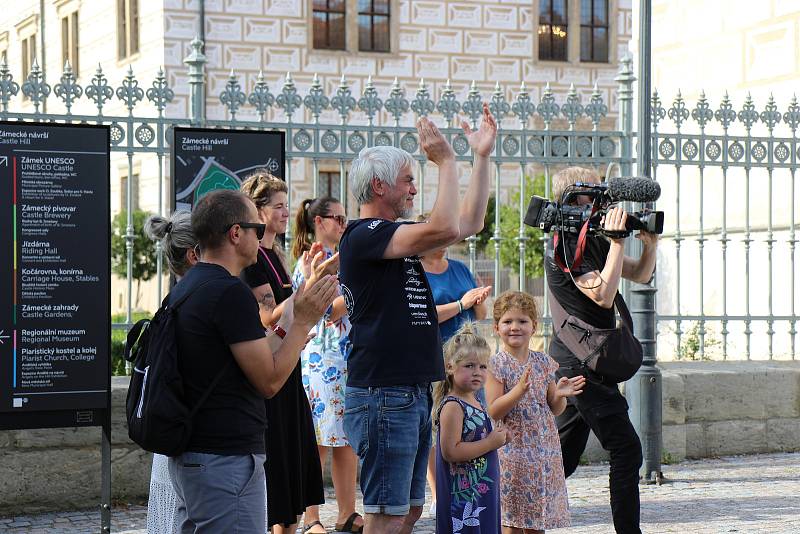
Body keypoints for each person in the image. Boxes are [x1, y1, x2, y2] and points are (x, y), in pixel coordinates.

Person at [339, 103, 497, 534]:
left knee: (406, 511)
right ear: (378, 186)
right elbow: (444, 227)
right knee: (386, 514)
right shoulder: (365, 235)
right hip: (383, 392)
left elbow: (468, 222)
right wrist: (446, 161)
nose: (413, 191)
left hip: (406, 392)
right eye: (408, 181)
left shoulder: (398, 238)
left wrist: (479, 157)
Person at [167, 189, 337, 533]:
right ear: (235, 234)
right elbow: (270, 380)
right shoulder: (230, 294)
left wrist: (294, 321)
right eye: (256, 229)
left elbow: (252, 350)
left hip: (197, 455)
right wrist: (303, 320)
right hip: (224, 461)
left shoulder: (192, 285)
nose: (262, 237)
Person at [544, 166, 658, 534]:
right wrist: (618, 241)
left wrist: (650, 244)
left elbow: (639, 274)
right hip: (578, 363)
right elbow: (603, 294)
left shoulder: (593, 238)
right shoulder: (564, 243)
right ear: (575, 198)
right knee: (627, 449)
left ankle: (512, 514)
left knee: (563, 459)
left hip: (591, 358)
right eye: (595, 191)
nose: (605, 197)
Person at [240, 172, 328, 534]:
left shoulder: (274, 253)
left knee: (292, 457)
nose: (284, 212)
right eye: (277, 206)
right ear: (257, 212)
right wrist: (303, 293)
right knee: (278, 462)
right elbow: (266, 315)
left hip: (289, 360)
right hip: (273, 359)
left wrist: (307, 281)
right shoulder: (255, 259)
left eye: (285, 205)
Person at [290, 197, 363, 534]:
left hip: (349, 357)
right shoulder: (312, 259)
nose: (343, 224)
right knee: (317, 440)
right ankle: (310, 516)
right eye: (338, 218)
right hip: (321, 359)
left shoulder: (346, 258)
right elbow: (324, 306)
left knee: (346, 441)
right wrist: (351, 299)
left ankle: (347, 513)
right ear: (319, 221)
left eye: (345, 218)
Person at [486, 291, 585, 534]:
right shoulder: (496, 364)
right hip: (512, 452)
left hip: (543, 452)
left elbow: (553, 408)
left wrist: (560, 395)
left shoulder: (543, 361)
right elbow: (494, 409)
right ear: (496, 328)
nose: (515, 327)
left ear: (534, 327)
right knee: (511, 519)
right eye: (508, 322)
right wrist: (517, 392)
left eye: (522, 321)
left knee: (537, 518)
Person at [417, 217, 492, 517]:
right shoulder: (415, 272)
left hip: (467, 359)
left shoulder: (460, 268)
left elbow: (480, 312)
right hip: (434, 360)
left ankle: (474, 486)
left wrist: (479, 299)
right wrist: (461, 304)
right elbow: (422, 315)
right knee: (437, 427)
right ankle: (439, 493)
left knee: (474, 419)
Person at [143, 211, 199, 534]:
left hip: (172, 438)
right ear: (195, 255)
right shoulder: (189, 305)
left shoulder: (171, 303)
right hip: (186, 439)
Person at [433, 322, 506, 534]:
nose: (477, 372)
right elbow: (451, 451)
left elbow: (476, 438)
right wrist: (490, 443)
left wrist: (497, 439)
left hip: (481, 490)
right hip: (463, 495)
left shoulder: (474, 400)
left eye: (483, 367)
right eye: (469, 366)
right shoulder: (454, 406)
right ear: (449, 367)